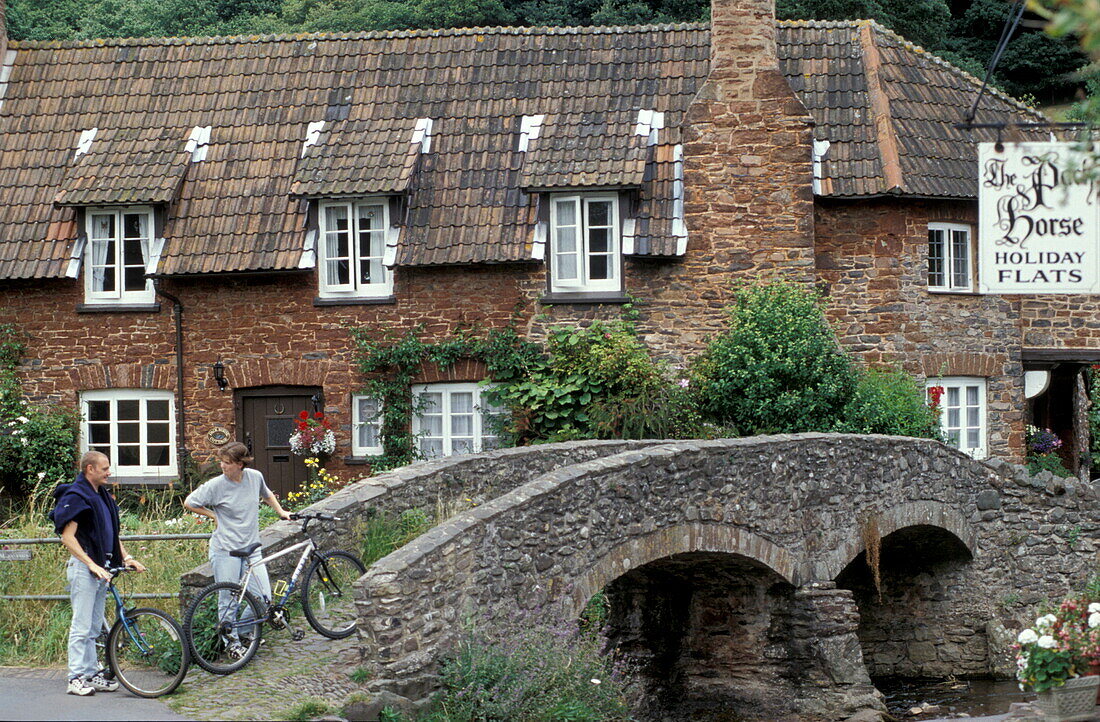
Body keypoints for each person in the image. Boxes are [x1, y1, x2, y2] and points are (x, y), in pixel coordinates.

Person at [51, 450, 146, 696]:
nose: (109, 472)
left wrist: (127, 558)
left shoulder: (102, 495)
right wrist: (91, 564)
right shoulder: (77, 496)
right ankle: (75, 678)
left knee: (94, 627)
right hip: (84, 569)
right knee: (81, 626)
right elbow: (67, 538)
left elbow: (112, 534)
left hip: (101, 569)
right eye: (104, 468)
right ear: (89, 469)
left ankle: (91, 673)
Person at [183, 442, 290, 659]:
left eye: (228, 463)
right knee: (229, 598)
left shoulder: (254, 477)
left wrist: (281, 512)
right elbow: (189, 502)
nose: (222, 466)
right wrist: (214, 516)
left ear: (240, 464)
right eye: (222, 461)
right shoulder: (216, 485)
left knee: (263, 597)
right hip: (226, 550)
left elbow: (267, 494)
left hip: (251, 548)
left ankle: (244, 631)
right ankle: (230, 642)